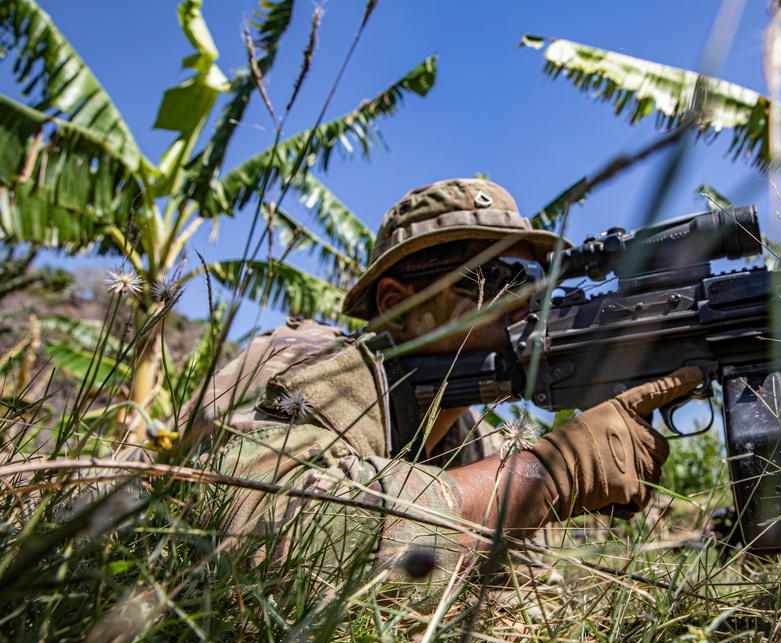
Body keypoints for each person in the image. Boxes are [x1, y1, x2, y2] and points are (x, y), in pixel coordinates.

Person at [182, 178, 701, 582]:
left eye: (539, 284)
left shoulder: (478, 440)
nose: (527, 305)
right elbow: (262, 530)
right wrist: (544, 475)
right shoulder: (303, 367)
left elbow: (526, 588)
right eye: (501, 280)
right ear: (397, 304)